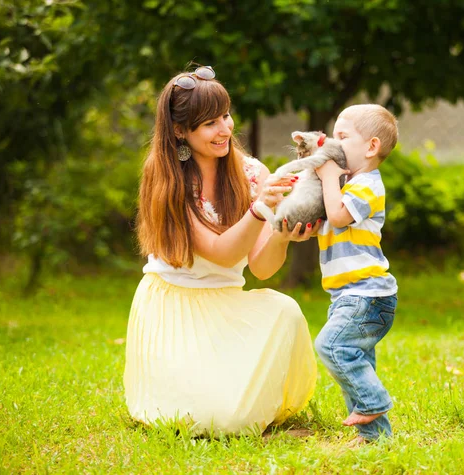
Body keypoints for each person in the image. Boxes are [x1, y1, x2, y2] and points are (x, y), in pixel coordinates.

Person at [123, 65, 318, 436]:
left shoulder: (252, 173)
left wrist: (281, 234)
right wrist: (260, 208)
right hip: (174, 309)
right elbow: (221, 252)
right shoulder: (166, 178)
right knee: (217, 420)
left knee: (285, 309)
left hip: (227, 304)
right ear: (180, 130)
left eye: (226, 116)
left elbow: (260, 269)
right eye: (210, 123)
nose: (225, 129)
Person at [314, 104, 399, 443]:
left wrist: (327, 177)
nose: (333, 145)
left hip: (367, 295)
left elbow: (336, 216)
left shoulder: (367, 186)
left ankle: (374, 401)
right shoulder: (348, 186)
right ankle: (375, 438)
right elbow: (326, 223)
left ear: (371, 147)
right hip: (348, 294)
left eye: (342, 137)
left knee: (331, 346)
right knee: (358, 359)